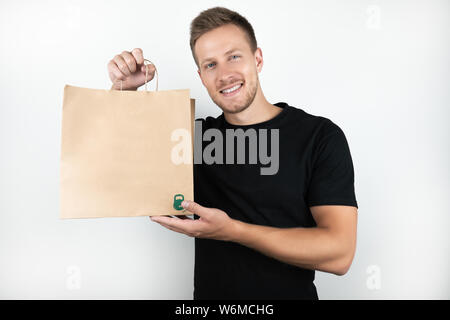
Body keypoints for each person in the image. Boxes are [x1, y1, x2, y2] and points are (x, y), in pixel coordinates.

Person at [107, 6, 358, 300]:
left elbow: (340, 254)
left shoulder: (319, 137)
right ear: (201, 77)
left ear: (258, 59)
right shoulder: (189, 140)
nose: (224, 74)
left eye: (234, 57)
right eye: (211, 65)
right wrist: (123, 93)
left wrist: (233, 231)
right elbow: (114, 160)